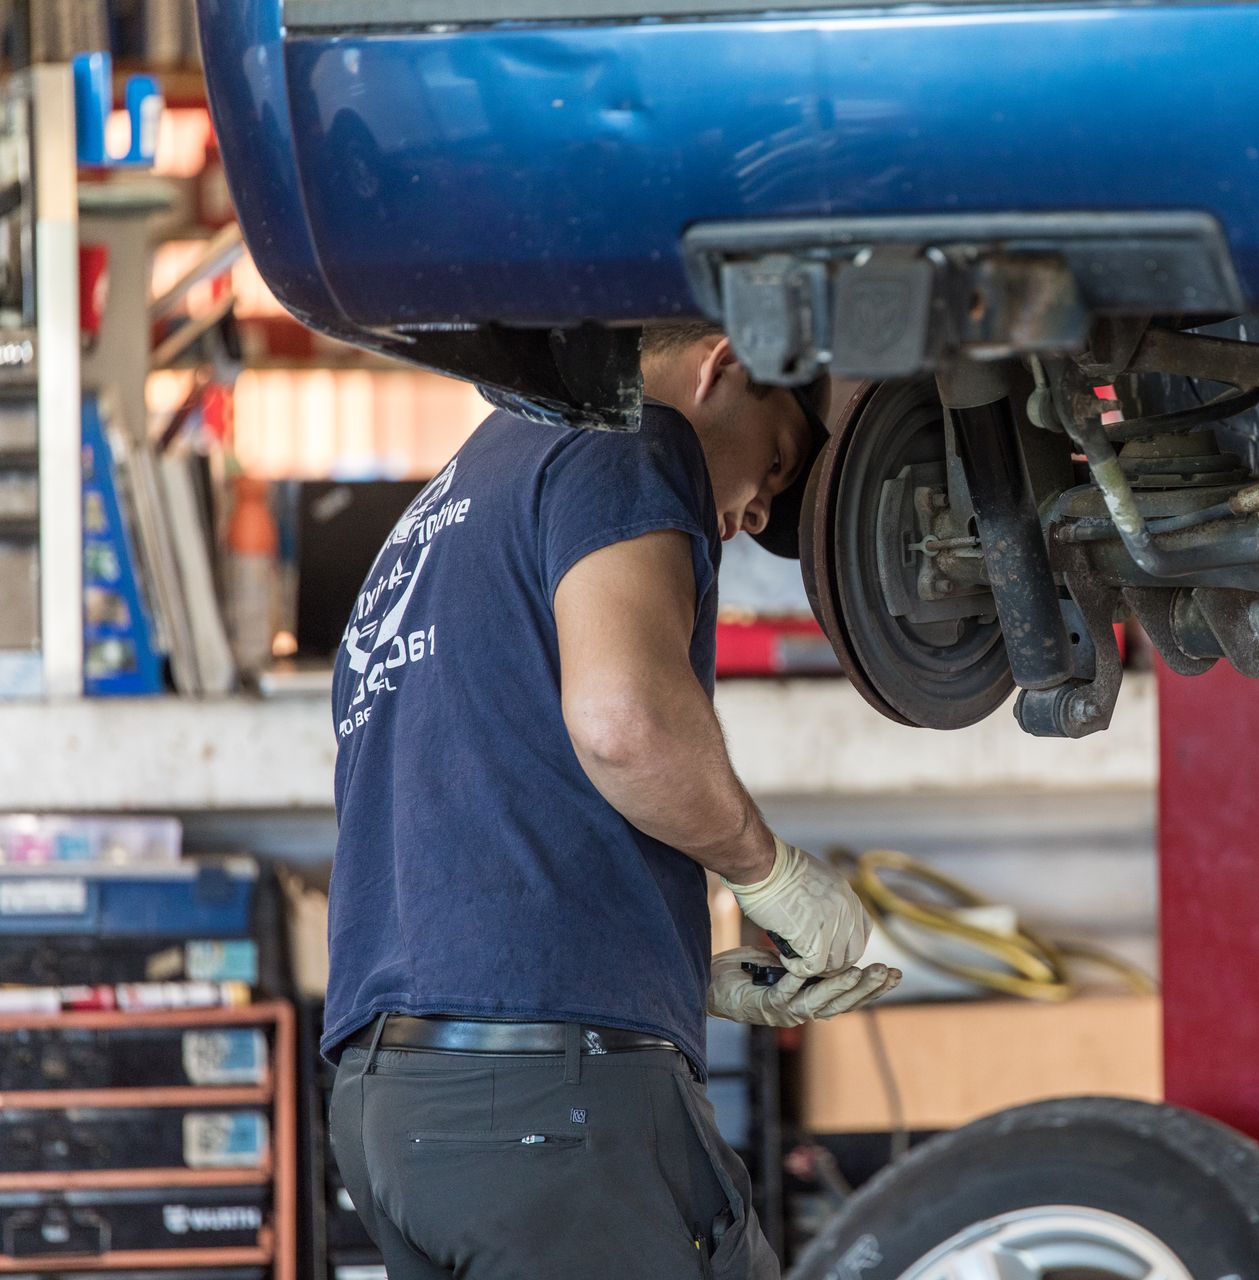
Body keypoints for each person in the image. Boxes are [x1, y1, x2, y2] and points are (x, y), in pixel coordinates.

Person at [322, 321, 900, 1279]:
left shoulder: (455, 498)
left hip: (396, 1104)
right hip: (537, 1104)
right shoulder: (632, 434)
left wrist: (659, 967)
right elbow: (623, 726)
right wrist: (771, 873)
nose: (758, 512)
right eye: (779, 461)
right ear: (725, 364)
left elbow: (472, 795)